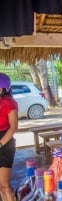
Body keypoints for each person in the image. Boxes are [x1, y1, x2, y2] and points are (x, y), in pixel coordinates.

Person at [0, 73, 18, 201]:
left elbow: (13, 127)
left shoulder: (9, 102)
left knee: (5, 185)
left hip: (4, 143)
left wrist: (0, 144)